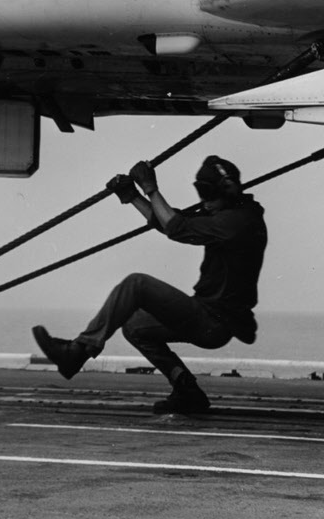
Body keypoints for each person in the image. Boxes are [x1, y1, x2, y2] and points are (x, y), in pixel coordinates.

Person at [32, 156, 268, 414]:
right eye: (201, 192)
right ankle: (187, 390)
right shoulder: (231, 215)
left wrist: (150, 188)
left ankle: (77, 352)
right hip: (209, 317)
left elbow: (175, 227)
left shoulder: (238, 222)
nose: (204, 200)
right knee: (135, 326)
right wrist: (132, 196)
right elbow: (169, 222)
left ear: (228, 189)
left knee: (137, 284)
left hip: (214, 321)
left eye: (208, 192)